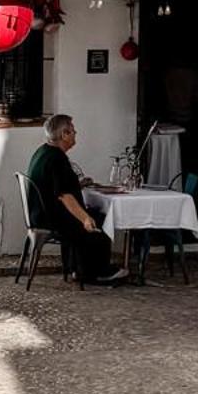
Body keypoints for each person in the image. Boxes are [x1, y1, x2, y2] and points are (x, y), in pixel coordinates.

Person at [25, 114, 125, 286]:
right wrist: (85, 218)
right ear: (64, 134)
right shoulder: (57, 158)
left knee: (93, 214)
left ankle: (76, 268)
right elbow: (64, 195)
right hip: (51, 218)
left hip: (39, 213)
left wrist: (79, 184)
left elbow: (55, 185)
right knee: (99, 219)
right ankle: (96, 273)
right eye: (73, 131)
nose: (75, 134)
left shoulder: (43, 151)